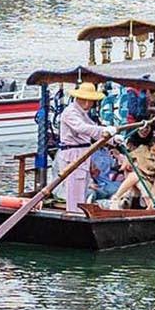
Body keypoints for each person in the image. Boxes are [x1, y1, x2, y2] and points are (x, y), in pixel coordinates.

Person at [57, 83, 117, 214]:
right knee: (75, 193)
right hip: (72, 155)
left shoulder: (83, 113)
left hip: (83, 153)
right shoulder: (70, 112)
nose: (90, 104)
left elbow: (94, 130)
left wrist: (114, 139)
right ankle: (74, 215)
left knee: (82, 190)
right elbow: (82, 128)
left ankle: (79, 214)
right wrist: (105, 130)